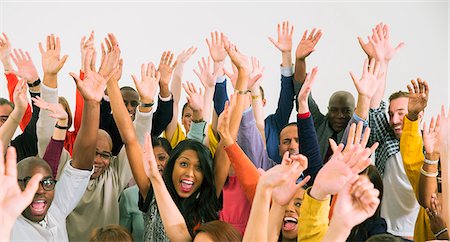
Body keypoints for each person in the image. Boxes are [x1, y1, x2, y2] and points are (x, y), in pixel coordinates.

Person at [10, 34, 112, 241]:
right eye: (29, 182)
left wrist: (93, 104)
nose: (40, 190)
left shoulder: (55, 209)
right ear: (13, 186)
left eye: (48, 182)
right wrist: (48, 80)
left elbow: (81, 166)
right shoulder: (7, 221)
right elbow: (46, 135)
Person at [293, 27, 355, 163]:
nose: (339, 116)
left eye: (346, 111)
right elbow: (302, 91)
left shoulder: (356, 131)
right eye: (334, 110)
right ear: (328, 110)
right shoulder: (318, 122)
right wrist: (300, 60)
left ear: (354, 112)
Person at [118, 136, 171, 242]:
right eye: (149, 159)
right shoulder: (129, 195)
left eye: (161, 158)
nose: (155, 164)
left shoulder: (178, 194)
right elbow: (123, 236)